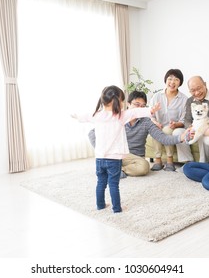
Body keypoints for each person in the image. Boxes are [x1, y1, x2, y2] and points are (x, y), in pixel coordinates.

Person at [72, 85, 161, 213]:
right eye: (121, 101)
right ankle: (117, 208)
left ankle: (100, 205)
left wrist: (76, 116)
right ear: (116, 102)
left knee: (101, 182)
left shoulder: (96, 115)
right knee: (113, 184)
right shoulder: (120, 116)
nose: (123, 104)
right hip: (114, 159)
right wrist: (151, 111)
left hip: (99, 158)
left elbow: (84, 116)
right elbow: (135, 112)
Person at [88, 90, 185, 179]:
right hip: (119, 155)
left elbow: (163, 138)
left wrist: (180, 137)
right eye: (137, 104)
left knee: (144, 167)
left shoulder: (146, 121)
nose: (140, 108)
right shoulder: (118, 118)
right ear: (128, 104)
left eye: (143, 106)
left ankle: (117, 169)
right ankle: (114, 167)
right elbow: (92, 133)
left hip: (136, 159)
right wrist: (103, 151)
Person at [149, 68, 191, 172]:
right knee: (155, 129)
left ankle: (169, 161)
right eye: (170, 79)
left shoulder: (184, 99)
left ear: (180, 82)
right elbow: (150, 114)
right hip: (158, 125)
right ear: (165, 80)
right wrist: (155, 122)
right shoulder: (157, 96)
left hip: (172, 128)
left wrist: (176, 124)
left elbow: (183, 120)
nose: (172, 82)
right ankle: (157, 160)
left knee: (166, 130)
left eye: (176, 79)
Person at [184, 76, 209, 162]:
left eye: (199, 88)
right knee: (180, 132)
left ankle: (203, 163)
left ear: (205, 85)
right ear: (189, 91)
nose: (197, 93)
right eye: (193, 90)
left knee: (203, 132)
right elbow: (187, 119)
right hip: (196, 127)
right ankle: (187, 162)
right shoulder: (190, 101)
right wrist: (190, 128)